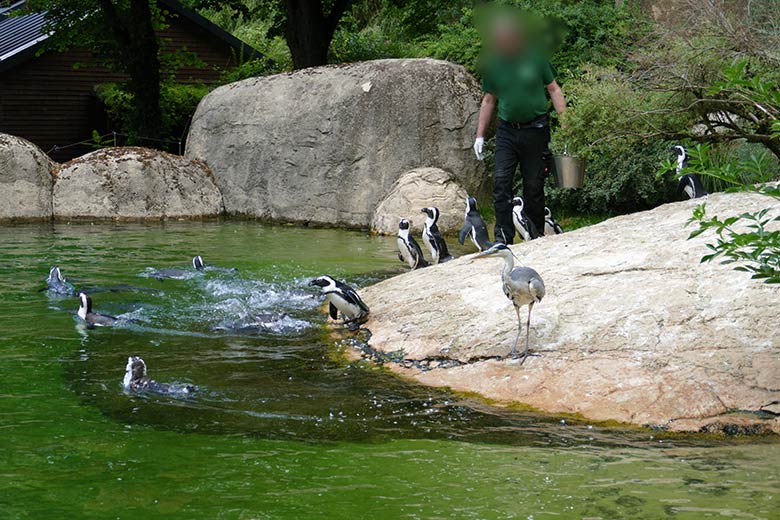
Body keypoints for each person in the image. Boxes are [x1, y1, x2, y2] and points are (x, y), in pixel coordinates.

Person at [473, 15, 566, 244]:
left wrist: (566, 124)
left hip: (536, 128)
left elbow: (553, 89)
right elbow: (488, 100)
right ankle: (503, 238)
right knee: (501, 182)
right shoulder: (495, 64)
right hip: (507, 131)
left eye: (504, 39)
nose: (500, 44)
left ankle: (534, 234)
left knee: (534, 184)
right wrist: (480, 136)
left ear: (515, 38)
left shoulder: (534, 57)